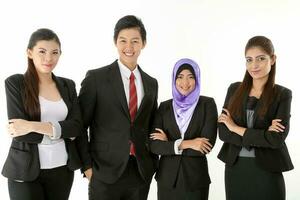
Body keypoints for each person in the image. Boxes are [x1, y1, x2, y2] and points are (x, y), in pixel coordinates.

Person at [77, 15, 158, 200]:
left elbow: (151, 126)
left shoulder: (151, 83)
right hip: (103, 172)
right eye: (123, 41)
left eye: (135, 41)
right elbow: (79, 126)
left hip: (140, 171)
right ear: (115, 42)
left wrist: (152, 163)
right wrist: (87, 167)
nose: (129, 47)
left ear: (143, 43)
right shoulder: (96, 79)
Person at [2, 28, 82, 200]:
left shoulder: (68, 85)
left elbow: (76, 127)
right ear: (29, 53)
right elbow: (19, 134)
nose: (49, 58)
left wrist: (31, 125)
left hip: (62, 169)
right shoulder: (16, 83)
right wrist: (61, 133)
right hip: (25, 171)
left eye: (55, 52)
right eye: (42, 52)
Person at [218, 36, 293, 200]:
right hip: (236, 168)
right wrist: (263, 135)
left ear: (272, 59)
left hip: (267, 169)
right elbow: (223, 133)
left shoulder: (282, 94)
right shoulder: (234, 89)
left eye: (261, 58)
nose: (254, 65)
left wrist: (235, 128)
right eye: (249, 60)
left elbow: (276, 139)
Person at [150, 58, 218, 200]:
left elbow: (205, 147)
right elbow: (154, 146)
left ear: (197, 79)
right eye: (180, 77)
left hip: (195, 180)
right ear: (174, 79)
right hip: (167, 180)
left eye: (190, 77)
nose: (185, 83)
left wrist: (169, 144)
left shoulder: (207, 104)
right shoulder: (164, 107)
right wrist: (187, 143)